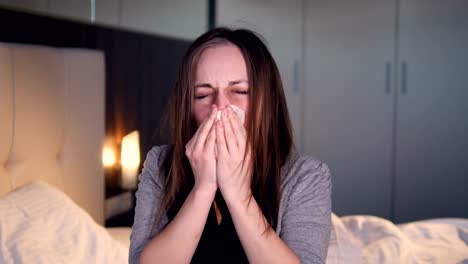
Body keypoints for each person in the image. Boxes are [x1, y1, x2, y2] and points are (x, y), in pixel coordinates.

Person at [129, 27, 332, 264]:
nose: (221, 106)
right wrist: (203, 188)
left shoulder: (306, 175)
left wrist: (238, 193)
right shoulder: (160, 164)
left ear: (267, 100)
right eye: (203, 95)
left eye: (240, 91)